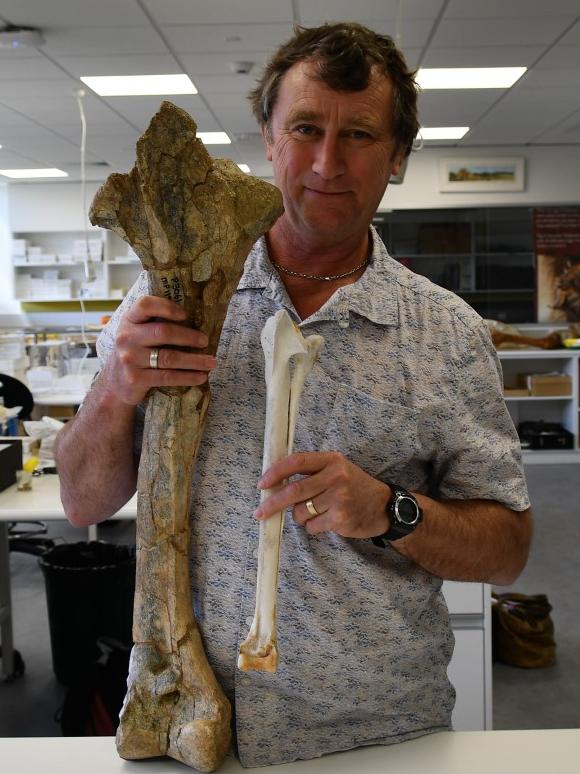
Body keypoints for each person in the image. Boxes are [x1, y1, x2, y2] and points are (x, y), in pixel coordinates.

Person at [55, 22, 532, 768]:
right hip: (183, 727)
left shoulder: (446, 334)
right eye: (305, 128)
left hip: (375, 735)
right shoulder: (162, 302)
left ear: (399, 156)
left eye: (361, 135)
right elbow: (83, 503)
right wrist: (115, 392)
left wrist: (390, 510)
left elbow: (507, 550)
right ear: (268, 138)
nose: (326, 162)